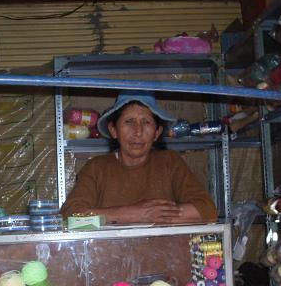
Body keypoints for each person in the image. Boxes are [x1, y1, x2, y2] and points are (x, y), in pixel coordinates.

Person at [61, 91, 218, 224]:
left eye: (146, 122)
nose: (138, 132)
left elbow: (207, 210)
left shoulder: (169, 162)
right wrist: (133, 214)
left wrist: (156, 216)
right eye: (129, 122)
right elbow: (71, 219)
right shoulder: (97, 168)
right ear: (113, 130)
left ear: (156, 133)